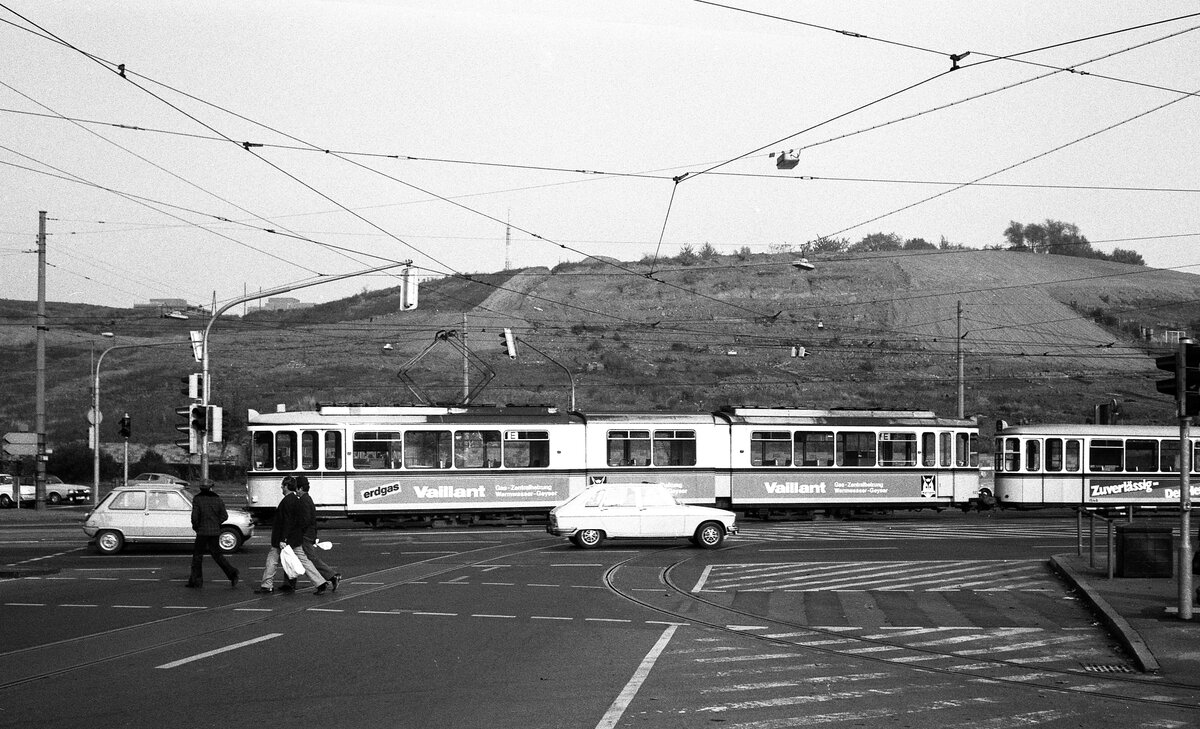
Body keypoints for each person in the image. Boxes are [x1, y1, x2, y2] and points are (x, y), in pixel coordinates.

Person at [254, 475, 329, 594]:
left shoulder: (287, 501)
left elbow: (287, 521)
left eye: (282, 486)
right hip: (295, 538)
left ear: (287, 486)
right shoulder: (296, 500)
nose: (281, 489)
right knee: (304, 561)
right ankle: (320, 582)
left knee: (272, 560)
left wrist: (283, 539)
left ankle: (266, 585)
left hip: (283, 538)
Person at [185, 480, 239, 589]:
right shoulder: (217, 499)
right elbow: (224, 516)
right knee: (217, 555)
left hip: (202, 531)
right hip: (214, 531)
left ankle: (196, 581)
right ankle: (232, 573)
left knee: (197, 556)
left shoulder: (197, 499)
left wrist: (196, 527)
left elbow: (194, 517)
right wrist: (216, 523)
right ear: (211, 488)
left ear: (201, 489)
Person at [297, 476, 341, 593]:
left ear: (300, 488)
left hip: (306, 535)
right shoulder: (308, 499)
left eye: (296, 488)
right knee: (308, 559)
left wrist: (299, 531)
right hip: (310, 534)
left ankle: (332, 576)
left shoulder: (303, 500)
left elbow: (305, 520)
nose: (295, 491)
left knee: (311, 559)